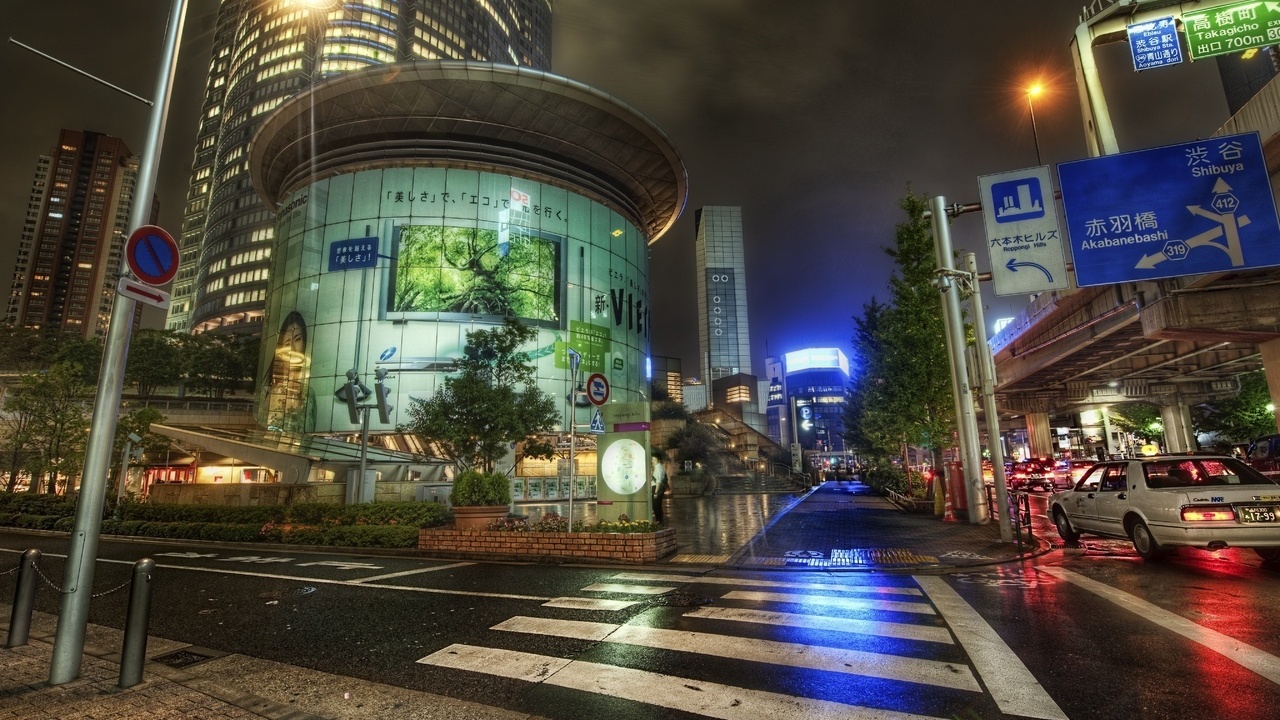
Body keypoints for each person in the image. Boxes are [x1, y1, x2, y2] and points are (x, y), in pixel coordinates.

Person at [651, 454, 668, 524]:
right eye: (652, 459)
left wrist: (655, 492)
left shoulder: (658, 469)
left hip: (657, 488)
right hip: (657, 488)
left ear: (659, 461)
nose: (653, 461)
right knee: (658, 506)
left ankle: (659, 522)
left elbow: (658, 481)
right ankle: (660, 521)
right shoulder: (659, 467)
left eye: (655, 460)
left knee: (656, 506)